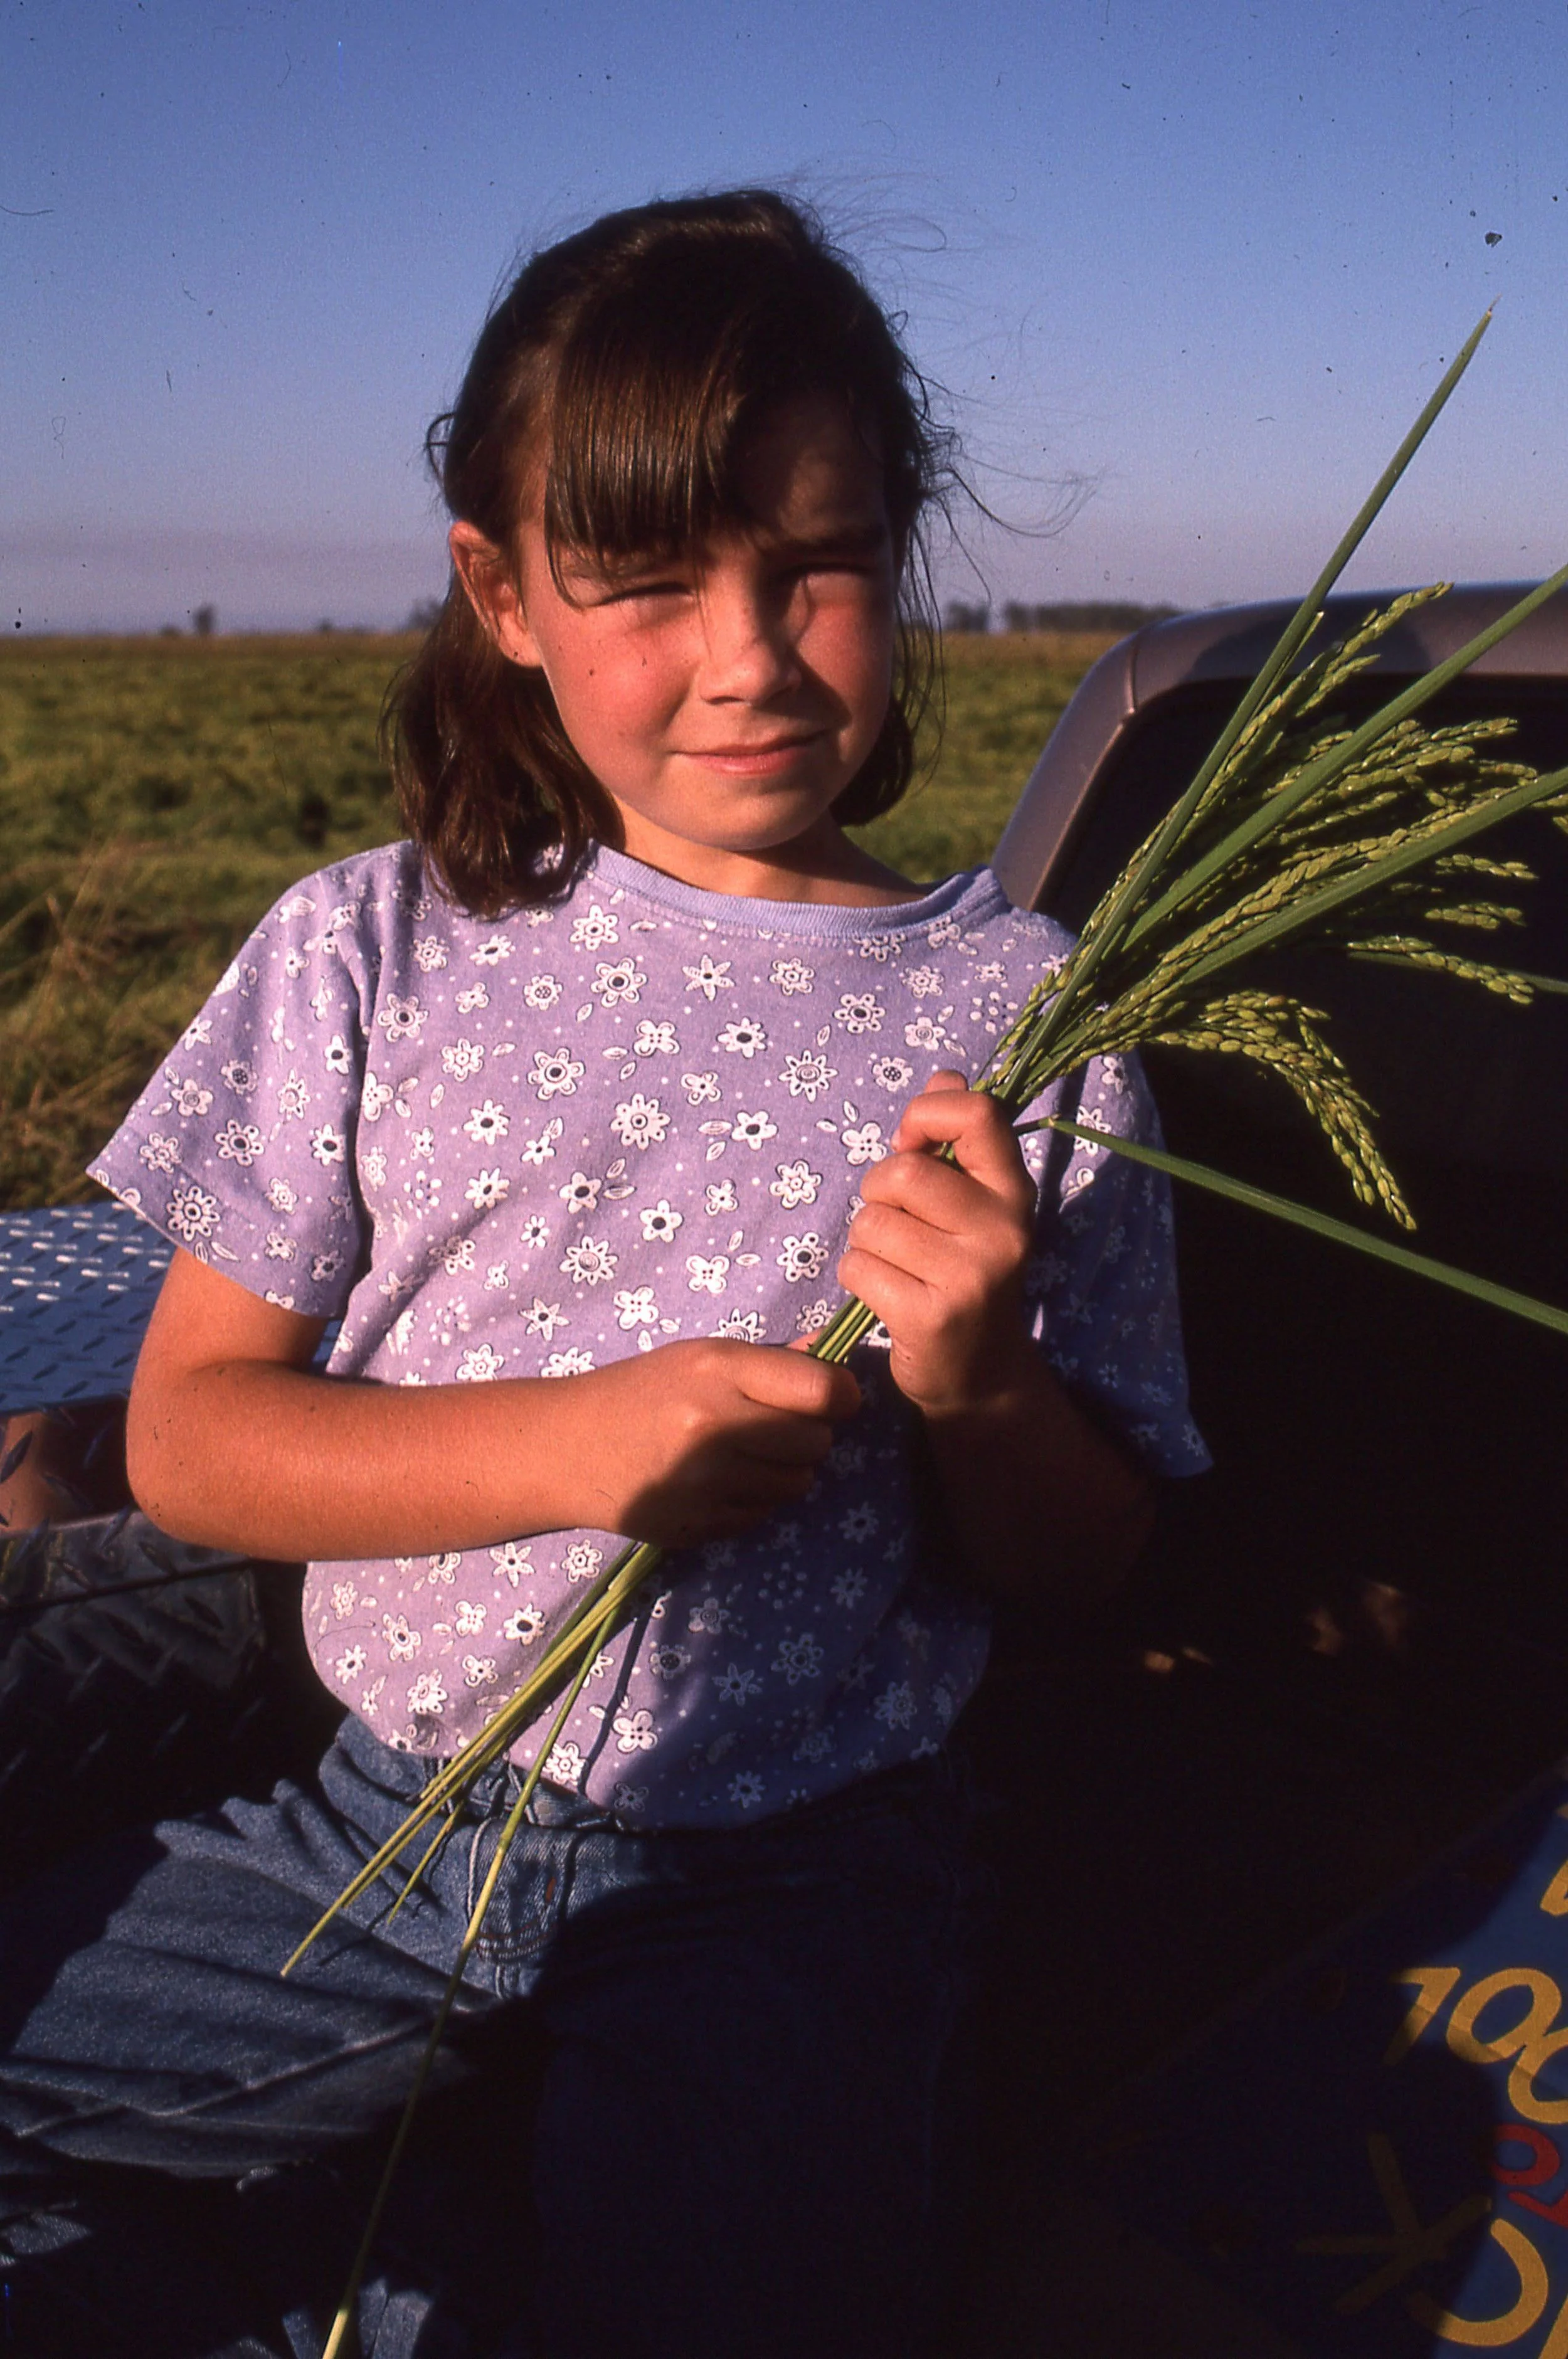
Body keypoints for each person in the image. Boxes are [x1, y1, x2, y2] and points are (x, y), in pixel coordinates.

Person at [0, 190, 1207, 2356]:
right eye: (648, 581)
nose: (748, 652)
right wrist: (575, 1445)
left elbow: (1086, 1564)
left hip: (804, 1875)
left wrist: (980, 1385)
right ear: (503, 595)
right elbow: (188, 1442)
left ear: (897, 553)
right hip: (377, 1829)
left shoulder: (1028, 1012)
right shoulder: (366, 947)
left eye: (815, 564)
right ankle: (369, 2244)